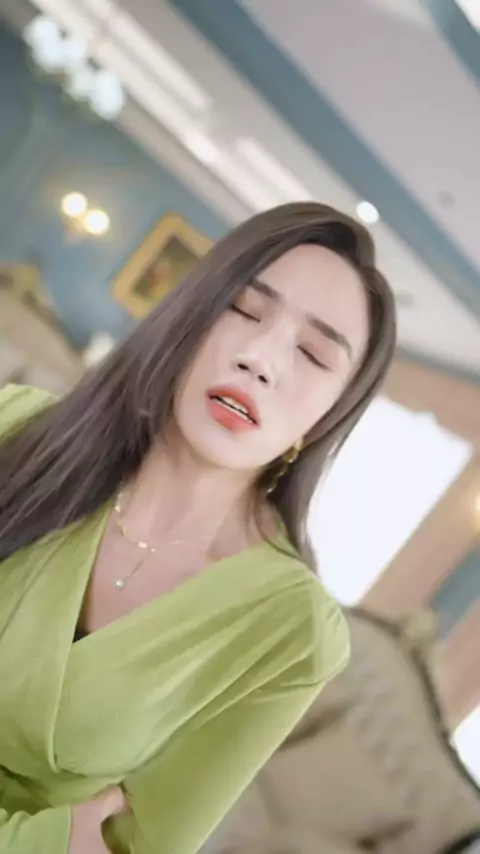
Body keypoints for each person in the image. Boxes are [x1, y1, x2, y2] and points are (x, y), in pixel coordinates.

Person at [0, 202, 396, 854]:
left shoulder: (293, 633)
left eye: (313, 353)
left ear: (331, 413)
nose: (261, 360)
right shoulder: (15, 426)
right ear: (190, 312)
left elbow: (136, 846)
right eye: (243, 309)